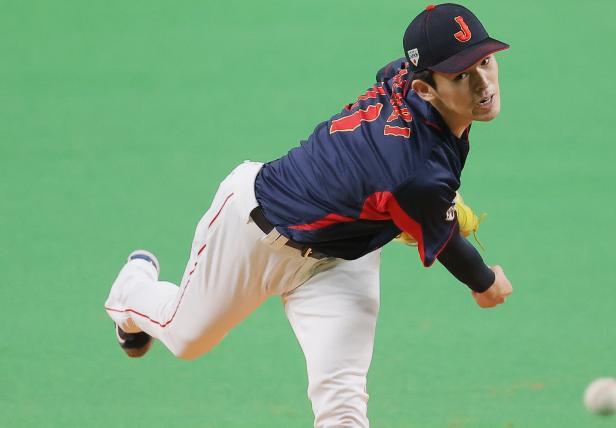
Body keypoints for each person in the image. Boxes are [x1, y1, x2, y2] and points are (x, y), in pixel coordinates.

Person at [104, 3, 513, 427]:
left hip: (340, 263)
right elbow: (447, 242)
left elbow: (390, 98)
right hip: (251, 230)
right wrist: (486, 284)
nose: (483, 83)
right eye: (462, 75)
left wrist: (413, 205)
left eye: (485, 61)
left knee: (343, 406)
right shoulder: (416, 177)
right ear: (425, 89)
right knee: (186, 337)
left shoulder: (403, 79)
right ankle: (131, 289)